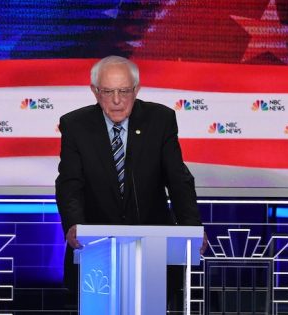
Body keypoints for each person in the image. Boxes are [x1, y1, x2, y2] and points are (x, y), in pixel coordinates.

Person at [55, 55, 202, 295]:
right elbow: (70, 183)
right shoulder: (75, 125)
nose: (116, 101)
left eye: (124, 91)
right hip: (96, 247)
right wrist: (74, 224)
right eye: (107, 91)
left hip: (153, 247)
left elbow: (178, 180)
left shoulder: (160, 119)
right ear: (94, 91)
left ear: (136, 89)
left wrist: (192, 228)